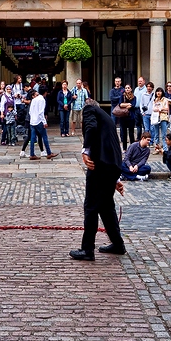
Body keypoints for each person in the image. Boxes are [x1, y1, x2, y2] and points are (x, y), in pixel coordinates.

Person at [70, 96, 125, 261]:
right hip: (112, 165)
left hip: (100, 165)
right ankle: (118, 244)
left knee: (91, 206)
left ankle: (87, 250)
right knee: (107, 207)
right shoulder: (106, 116)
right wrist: (114, 179)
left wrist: (85, 150)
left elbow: (91, 127)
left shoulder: (89, 109)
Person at [26, 88, 56, 160]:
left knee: (33, 138)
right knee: (44, 136)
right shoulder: (42, 100)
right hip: (39, 121)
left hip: (32, 121)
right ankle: (48, 153)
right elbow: (41, 112)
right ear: (45, 92)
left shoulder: (34, 100)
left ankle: (32, 153)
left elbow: (30, 112)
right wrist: (44, 122)